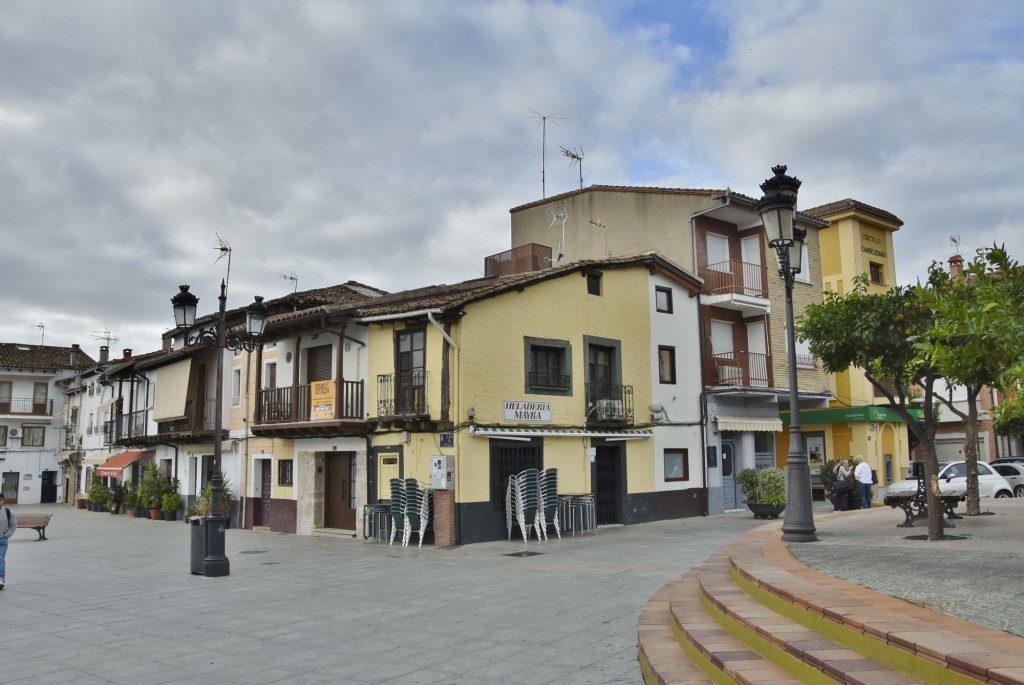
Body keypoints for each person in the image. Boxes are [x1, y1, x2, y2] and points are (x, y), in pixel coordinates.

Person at [0, 492, 15, 589]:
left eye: (0, 500)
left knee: (0, 558)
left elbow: (13, 526)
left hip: (2, 540)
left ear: (3, 501)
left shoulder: (8, 512)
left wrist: (6, 536)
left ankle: (1, 579)